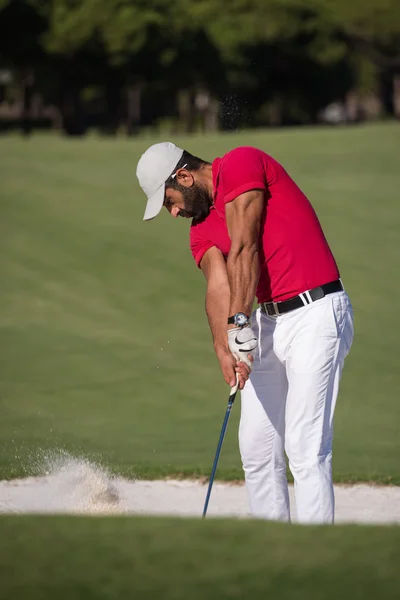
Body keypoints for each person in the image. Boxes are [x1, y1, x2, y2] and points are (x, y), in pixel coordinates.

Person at [136, 142, 354, 524]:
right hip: (267, 324)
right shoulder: (200, 229)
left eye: (170, 201)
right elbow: (218, 285)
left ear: (184, 176)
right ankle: (272, 553)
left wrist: (239, 321)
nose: (174, 213)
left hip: (315, 314)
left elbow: (245, 245)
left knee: (305, 448)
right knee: (257, 449)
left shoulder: (240, 163)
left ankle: (315, 561)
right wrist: (224, 348)